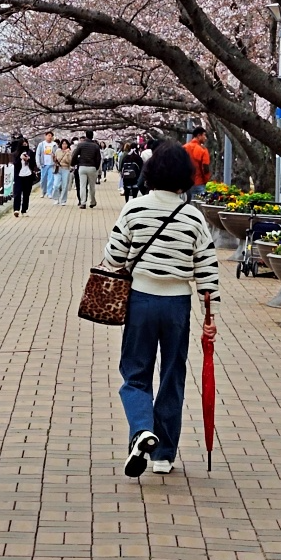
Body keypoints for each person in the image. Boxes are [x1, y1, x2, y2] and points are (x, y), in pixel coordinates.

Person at [103, 141, 219, 477]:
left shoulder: (135, 209)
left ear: (150, 174)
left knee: (135, 374)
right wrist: (209, 319)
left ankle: (142, 430)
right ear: (186, 176)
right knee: (172, 375)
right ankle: (164, 454)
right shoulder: (193, 217)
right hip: (177, 305)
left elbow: (113, 257)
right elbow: (207, 270)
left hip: (140, 299)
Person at [73, 130, 103, 208]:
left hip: (82, 167)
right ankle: (92, 201)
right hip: (92, 167)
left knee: (82, 185)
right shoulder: (95, 146)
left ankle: (83, 202)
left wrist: (74, 163)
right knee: (92, 186)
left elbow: (75, 155)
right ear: (92, 136)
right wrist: (96, 167)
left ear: (86, 135)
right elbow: (98, 158)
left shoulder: (81, 145)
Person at [183, 127, 211, 199]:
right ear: (199, 136)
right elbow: (205, 168)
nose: (206, 138)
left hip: (186, 183)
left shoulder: (184, 148)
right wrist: (206, 181)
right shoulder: (203, 150)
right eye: (204, 135)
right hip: (199, 182)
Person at [13, 143, 37, 216]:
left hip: (28, 175)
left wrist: (28, 159)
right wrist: (20, 158)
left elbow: (33, 164)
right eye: (23, 144)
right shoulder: (16, 154)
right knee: (17, 192)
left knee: (26, 193)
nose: (24, 145)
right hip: (19, 176)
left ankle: (24, 210)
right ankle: (16, 209)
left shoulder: (31, 153)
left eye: (26, 144)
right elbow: (15, 164)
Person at [51, 139, 73, 205]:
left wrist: (67, 153)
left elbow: (69, 161)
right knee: (56, 185)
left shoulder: (69, 152)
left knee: (65, 185)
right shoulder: (58, 151)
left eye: (66, 144)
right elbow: (55, 160)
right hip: (58, 169)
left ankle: (63, 200)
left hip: (66, 169)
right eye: (63, 144)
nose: (64, 145)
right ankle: (56, 198)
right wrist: (53, 158)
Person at [36, 131, 57, 198]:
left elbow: (57, 154)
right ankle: (43, 191)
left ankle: (49, 192)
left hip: (51, 164)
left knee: (51, 179)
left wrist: (54, 157)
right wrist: (38, 163)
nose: (49, 137)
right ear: (45, 136)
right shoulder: (41, 144)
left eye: (51, 136)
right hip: (43, 164)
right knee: (43, 179)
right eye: (48, 135)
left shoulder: (54, 144)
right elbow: (38, 154)